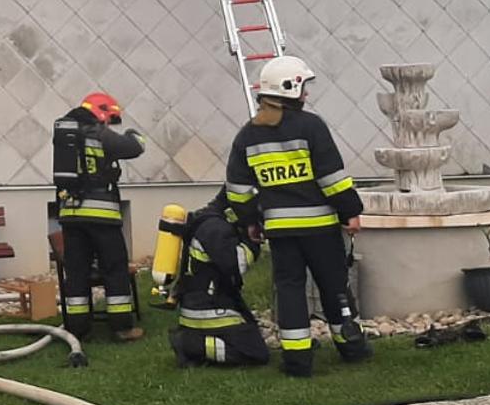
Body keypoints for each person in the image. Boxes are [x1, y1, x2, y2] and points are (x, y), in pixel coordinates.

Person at [223, 55, 370, 378]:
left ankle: (297, 359)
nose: (307, 94)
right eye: (303, 87)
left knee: (289, 289)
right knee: (333, 285)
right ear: (291, 88)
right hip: (320, 227)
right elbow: (332, 177)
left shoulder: (248, 135)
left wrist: (251, 221)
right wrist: (351, 212)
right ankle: (352, 346)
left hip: (279, 230)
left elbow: (237, 189)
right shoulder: (311, 126)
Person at [51, 92, 148, 341]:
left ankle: (77, 328)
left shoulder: (65, 135)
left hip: (70, 214)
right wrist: (131, 134)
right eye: (109, 117)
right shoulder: (98, 133)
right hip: (101, 215)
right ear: (101, 112)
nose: (108, 123)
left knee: (76, 271)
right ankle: (122, 327)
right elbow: (135, 147)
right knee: (114, 268)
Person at [166, 194, 270, 368]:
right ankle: (192, 345)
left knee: (251, 335)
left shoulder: (210, 220)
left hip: (206, 303)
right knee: (255, 354)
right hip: (208, 310)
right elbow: (237, 264)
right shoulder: (215, 229)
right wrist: (252, 243)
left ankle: (197, 341)